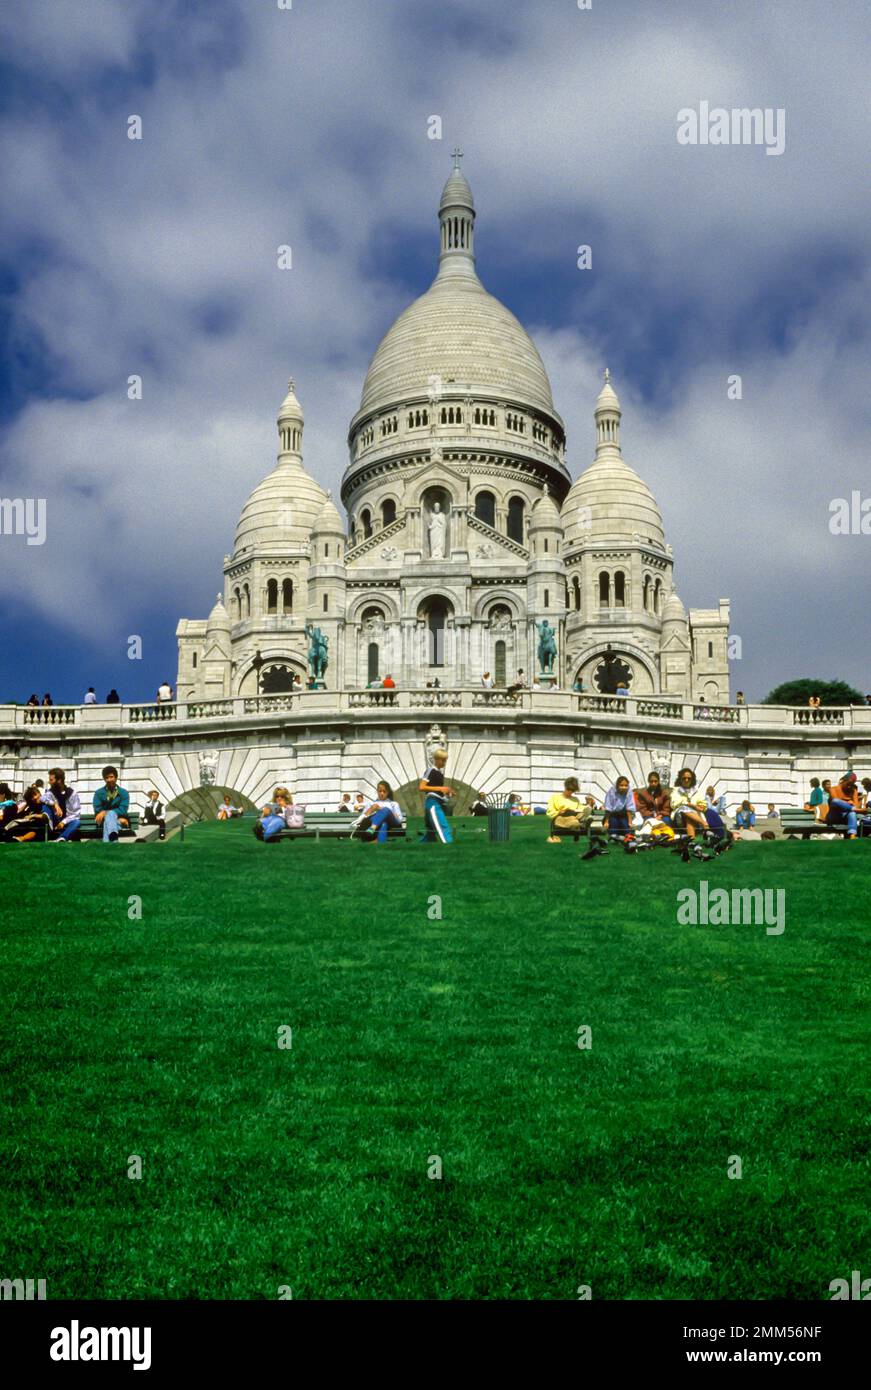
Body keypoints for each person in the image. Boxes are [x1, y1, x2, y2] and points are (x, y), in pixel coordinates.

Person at [419, 747, 453, 843]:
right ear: (436, 759)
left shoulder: (439, 773)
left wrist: (447, 792)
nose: (444, 763)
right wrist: (441, 788)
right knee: (443, 827)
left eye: (445, 760)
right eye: (442, 760)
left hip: (437, 802)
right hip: (433, 803)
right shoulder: (430, 771)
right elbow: (421, 787)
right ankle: (450, 847)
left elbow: (437, 789)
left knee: (431, 833)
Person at [545, 776, 590, 843]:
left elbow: (580, 808)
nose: (571, 792)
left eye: (573, 791)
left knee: (580, 814)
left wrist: (587, 807)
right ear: (566, 787)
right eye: (569, 790)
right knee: (573, 820)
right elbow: (549, 811)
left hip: (574, 816)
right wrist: (559, 812)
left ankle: (584, 820)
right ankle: (582, 823)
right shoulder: (555, 797)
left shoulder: (575, 799)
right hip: (561, 817)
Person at [43, 767, 82, 841]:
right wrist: (54, 804)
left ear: (59, 780)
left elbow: (75, 814)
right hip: (54, 820)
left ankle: (62, 838)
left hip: (67, 822)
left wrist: (63, 822)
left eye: (51, 780)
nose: (49, 782)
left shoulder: (72, 794)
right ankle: (49, 822)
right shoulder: (50, 792)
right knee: (45, 805)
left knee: (77, 822)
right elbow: (42, 798)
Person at [93, 765, 130, 842]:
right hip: (107, 821)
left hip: (112, 822)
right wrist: (117, 819)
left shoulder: (124, 793)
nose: (109, 780)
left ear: (116, 778)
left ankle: (108, 843)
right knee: (110, 817)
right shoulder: (99, 793)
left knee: (110, 815)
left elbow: (123, 809)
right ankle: (113, 835)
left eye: (111, 777)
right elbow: (97, 808)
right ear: (104, 779)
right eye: (106, 778)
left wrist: (105, 812)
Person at [670, 768, 709, 838]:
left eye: (689, 778)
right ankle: (705, 824)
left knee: (689, 818)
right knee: (684, 808)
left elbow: (703, 803)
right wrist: (691, 805)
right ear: (680, 779)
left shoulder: (696, 791)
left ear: (692, 779)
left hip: (695, 817)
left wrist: (702, 807)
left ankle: (691, 841)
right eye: (684, 778)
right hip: (679, 818)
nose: (686, 780)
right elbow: (674, 804)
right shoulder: (676, 790)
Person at [826, 772, 862, 838]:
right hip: (833, 816)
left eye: (851, 785)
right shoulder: (833, 789)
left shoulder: (853, 791)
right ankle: (852, 809)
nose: (849, 786)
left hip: (845, 817)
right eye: (848, 784)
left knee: (852, 813)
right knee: (835, 801)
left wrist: (849, 805)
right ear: (843, 781)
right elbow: (835, 801)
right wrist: (849, 802)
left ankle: (852, 835)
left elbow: (856, 805)